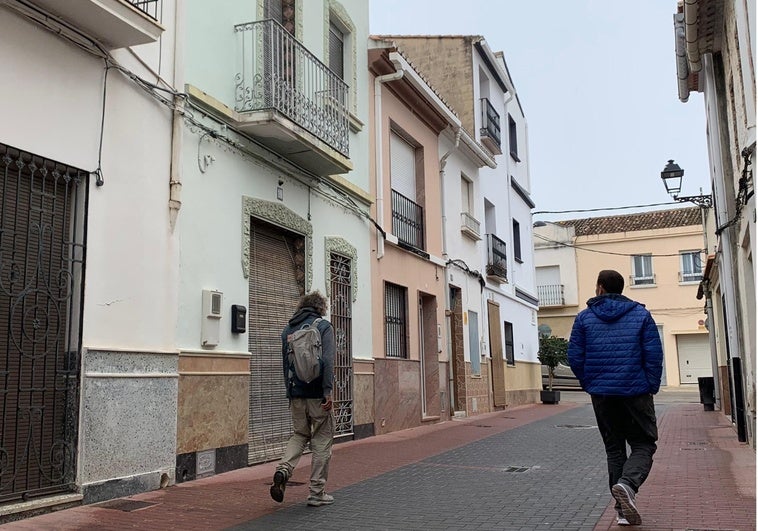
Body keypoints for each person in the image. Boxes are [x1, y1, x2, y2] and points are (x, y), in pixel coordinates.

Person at [567, 270, 663, 527]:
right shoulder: (641, 315)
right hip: (636, 393)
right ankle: (628, 485)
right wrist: (650, 385)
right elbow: (653, 354)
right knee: (644, 443)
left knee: (614, 448)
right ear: (621, 289)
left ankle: (621, 510)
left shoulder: (584, 318)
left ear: (600, 287)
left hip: (603, 394)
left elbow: (575, 356)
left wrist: (590, 383)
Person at [270, 291, 336, 507]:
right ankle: (317, 493)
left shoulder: (288, 329)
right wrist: (327, 391)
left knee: (299, 434)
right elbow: (327, 361)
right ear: (321, 307)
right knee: (322, 440)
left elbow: (284, 365)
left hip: (296, 393)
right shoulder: (323, 327)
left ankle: (283, 469)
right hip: (318, 395)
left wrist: (290, 392)